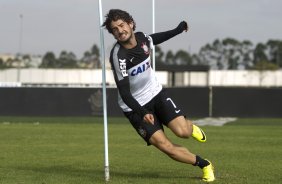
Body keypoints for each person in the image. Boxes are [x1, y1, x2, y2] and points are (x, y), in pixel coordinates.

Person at [103, 9, 215, 182]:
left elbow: (155, 38)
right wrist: (141, 112)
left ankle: (190, 127)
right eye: (114, 29)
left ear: (130, 24)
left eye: (121, 25)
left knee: (183, 132)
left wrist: (178, 29)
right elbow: (125, 93)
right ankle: (204, 164)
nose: (119, 30)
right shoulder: (119, 57)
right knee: (166, 147)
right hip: (134, 107)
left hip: (156, 94)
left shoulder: (142, 38)